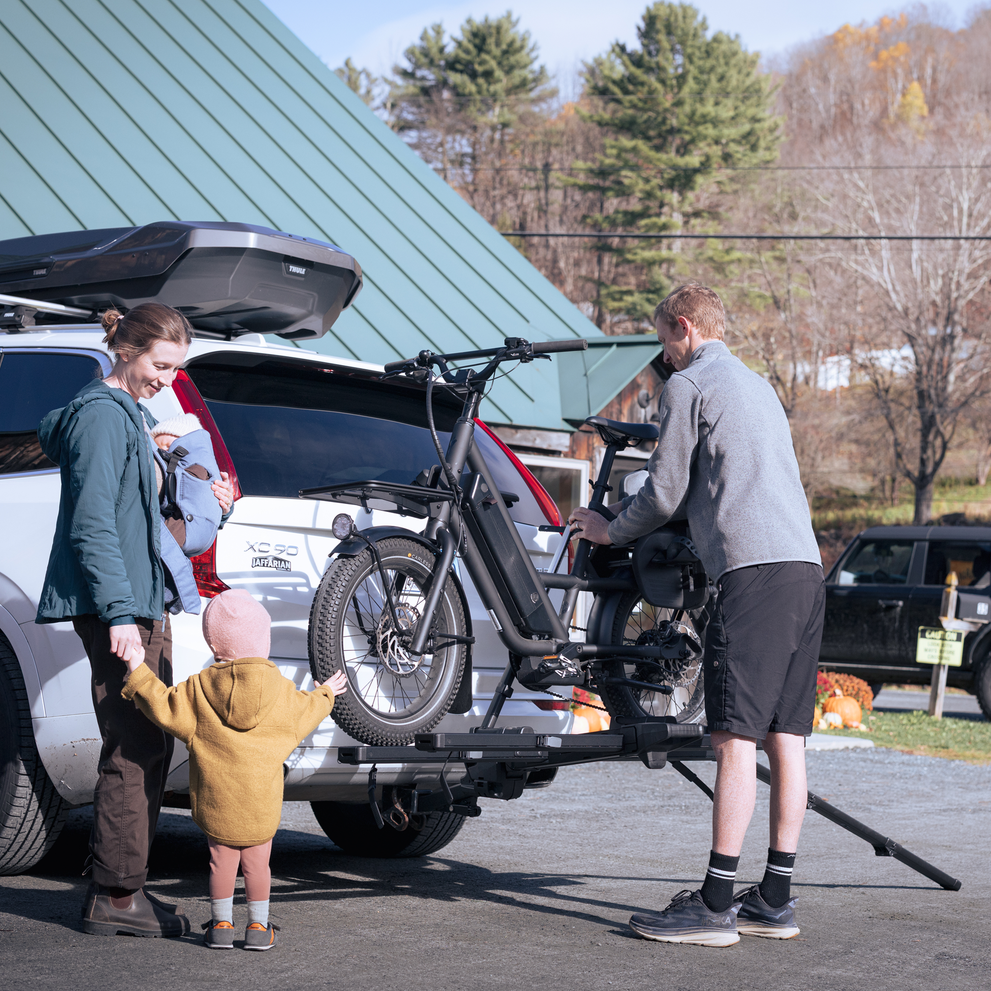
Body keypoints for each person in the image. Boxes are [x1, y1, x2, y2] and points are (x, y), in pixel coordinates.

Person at [569, 284, 824, 948]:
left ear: (683, 327)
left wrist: (607, 530)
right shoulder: (758, 387)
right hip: (804, 568)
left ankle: (714, 905)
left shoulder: (690, 385)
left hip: (753, 572)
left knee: (732, 738)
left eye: (663, 343)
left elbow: (661, 491)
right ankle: (774, 897)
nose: (665, 358)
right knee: (784, 738)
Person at [36, 303, 234, 937]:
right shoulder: (101, 416)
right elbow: (92, 525)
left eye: (177, 371)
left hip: (141, 601)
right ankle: (117, 897)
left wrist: (187, 481)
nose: (168, 380)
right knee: (135, 744)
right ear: (126, 349)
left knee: (148, 742)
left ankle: (125, 890)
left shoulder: (125, 419)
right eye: (160, 365)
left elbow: (138, 521)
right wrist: (121, 614)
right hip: (120, 607)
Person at [121, 589, 348, 950]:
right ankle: (258, 929)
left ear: (215, 644)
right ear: (264, 641)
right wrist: (326, 693)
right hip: (261, 806)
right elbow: (307, 712)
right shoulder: (282, 692)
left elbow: (162, 706)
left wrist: (137, 668)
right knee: (259, 866)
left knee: (220, 864)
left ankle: (221, 926)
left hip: (217, 804)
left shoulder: (198, 690)